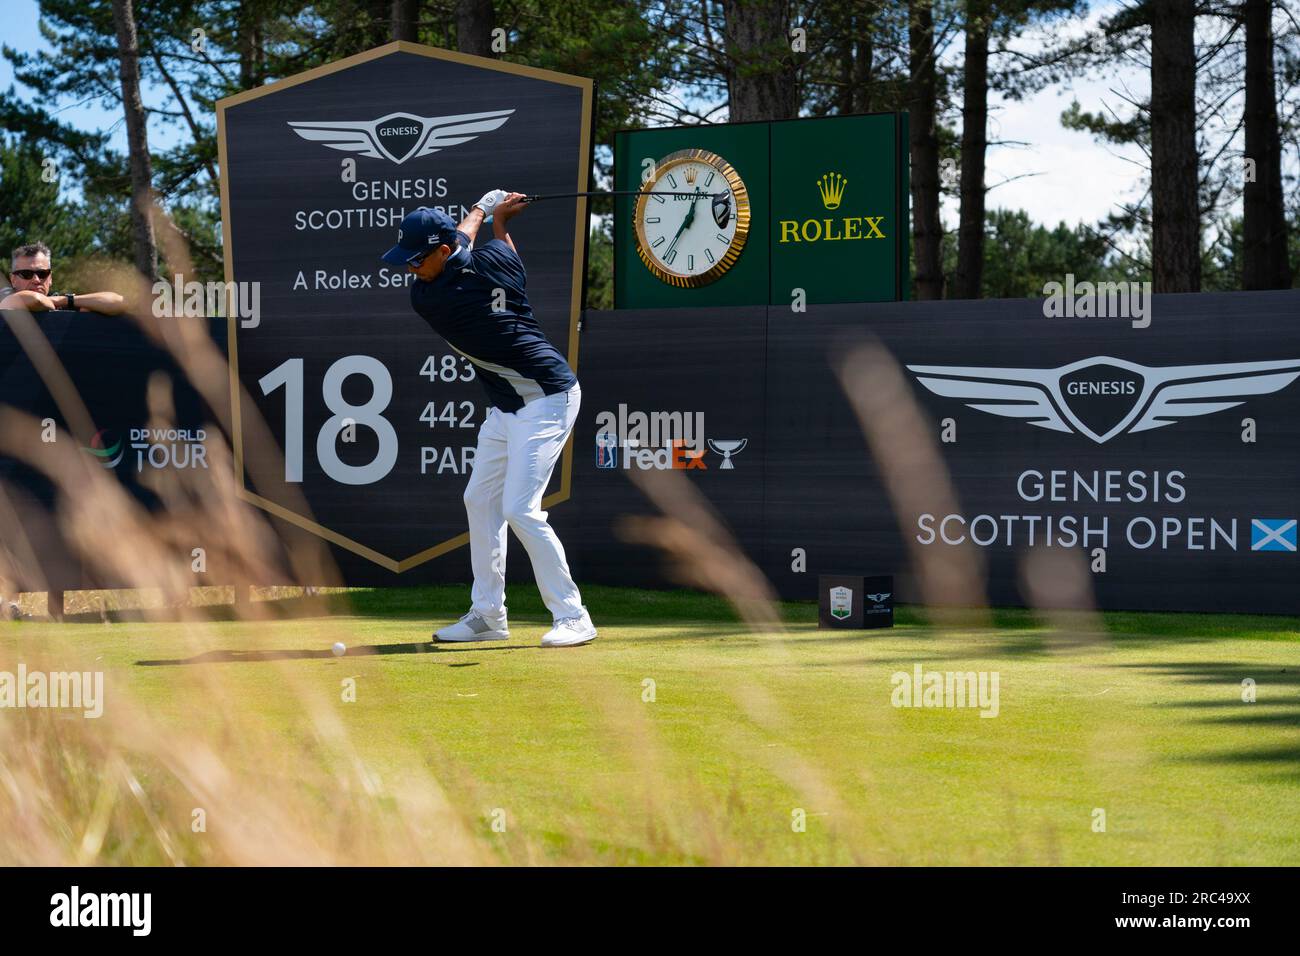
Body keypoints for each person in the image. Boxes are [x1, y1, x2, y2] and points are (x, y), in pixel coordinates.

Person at [381, 192, 596, 648]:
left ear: (441, 254)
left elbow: (461, 239)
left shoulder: (434, 298)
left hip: (548, 397)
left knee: (520, 508)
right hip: (506, 406)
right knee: (479, 499)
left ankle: (574, 616)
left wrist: (487, 212)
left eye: (415, 259)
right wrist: (492, 216)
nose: (409, 269)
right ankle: (488, 614)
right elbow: (472, 241)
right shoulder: (494, 261)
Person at [0, 242, 125, 315]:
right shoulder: (4, 297)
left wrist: (67, 300)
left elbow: (119, 302)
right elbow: (36, 300)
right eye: (27, 274)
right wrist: (60, 301)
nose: (36, 280)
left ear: (50, 278)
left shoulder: (61, 303)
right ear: (13, 280)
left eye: (42, 273)